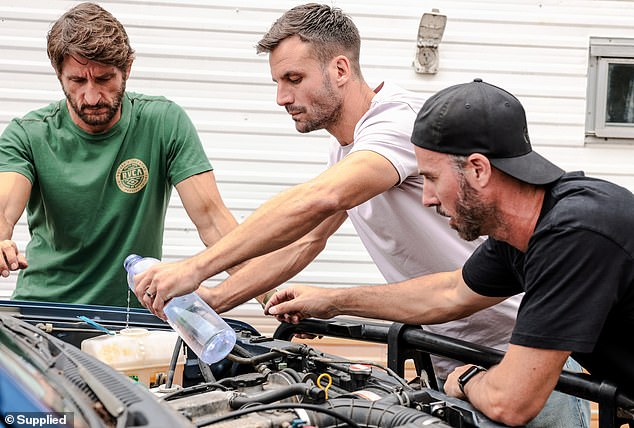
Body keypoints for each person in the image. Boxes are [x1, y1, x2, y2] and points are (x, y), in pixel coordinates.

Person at [132, 4, 588, 426]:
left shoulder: (396, 124)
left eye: (292, 78)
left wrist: (193, 268)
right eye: (277, 81)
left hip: (519, 351)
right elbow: (307, 241)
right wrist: (215, 301)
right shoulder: (346, 146)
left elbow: (320, 199)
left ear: (340, 69)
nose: (280, 97)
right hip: (452, 357)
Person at [265, 78, 634, 426]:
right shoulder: (521, 234)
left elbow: (512, 400)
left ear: (478, 170)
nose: (426, 198)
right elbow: (449, 293)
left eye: (431, 178)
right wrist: (332, 301)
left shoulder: (574, 235)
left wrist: (467, 377)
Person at [0, 2, 238, 308]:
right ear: (59, 74)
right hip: (46, 314)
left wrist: (269, 295)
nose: (92, 96)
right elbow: (4, 209)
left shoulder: (163, 122)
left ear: (127, 69)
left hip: (131, 320)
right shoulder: (28, 134)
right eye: (77, 81)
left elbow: (213, 220)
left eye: (104, 79)